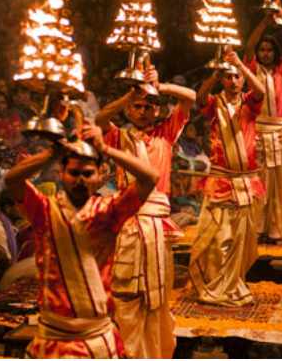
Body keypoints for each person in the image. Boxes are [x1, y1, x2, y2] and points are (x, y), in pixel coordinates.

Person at [3, 124, 160, 358]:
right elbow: (12, 180)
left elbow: (150, 178)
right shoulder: (44, 210)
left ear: (100, 176)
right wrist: (52, 154)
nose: (81, 180)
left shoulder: (110, 211)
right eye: (74, 173)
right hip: (53, 339)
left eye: (88, 174)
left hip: (97, 339)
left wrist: (105, 148)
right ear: (61, 174)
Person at [94, 65, 195, 359]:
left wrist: (159, 87)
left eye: (148, 106)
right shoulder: (118, 137)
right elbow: (99, 119)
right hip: (129, 224)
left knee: (159, 295)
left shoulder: (167, 133)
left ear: (157, 110)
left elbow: (189, 97)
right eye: (136, 106)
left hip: (158, 224)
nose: (142, 111)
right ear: (128, 110)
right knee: (126, 292)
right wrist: (129, 94)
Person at [191, 48, 267, 306]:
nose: (233, 81)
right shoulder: (214, 104)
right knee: (219, 238)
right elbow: (199, 98)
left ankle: (234, 284)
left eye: (237, 77)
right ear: (222, 80)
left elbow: (261, 91)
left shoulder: (249, 103)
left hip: (246, 182)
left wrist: (241, 65)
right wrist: (215, 74)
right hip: (221, 180)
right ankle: (215, 287)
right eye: (228, 77)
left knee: (241, 240)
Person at [243, 0, 282, 244]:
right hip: (256, 132)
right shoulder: (251, 69)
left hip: (277, 133)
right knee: (259, 181)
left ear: (275, 53)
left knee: (278, 184)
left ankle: (275, 228)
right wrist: (265, 22)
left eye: (269, 50)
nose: (265, 53)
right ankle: (256, 227)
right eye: (262, 50)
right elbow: (248, 46)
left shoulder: (281, 71)